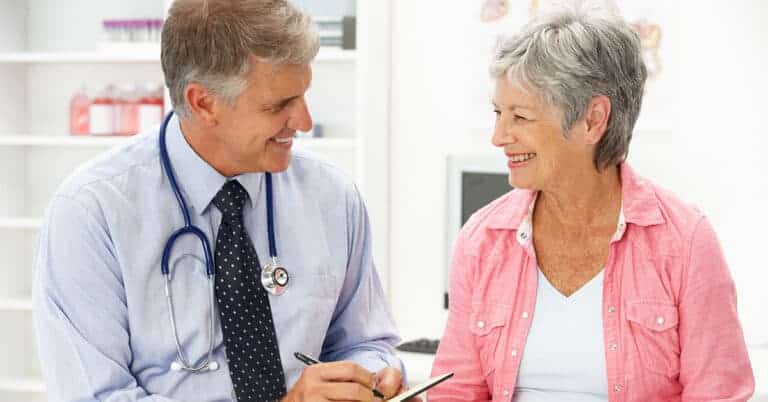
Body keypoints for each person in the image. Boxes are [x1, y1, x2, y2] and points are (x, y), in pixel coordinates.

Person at [33, 1, 410, 401]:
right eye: (279, 105)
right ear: (203, 103)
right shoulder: (92, 213)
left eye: (302, 95)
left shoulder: (331, 197)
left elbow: (365, 342)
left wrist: (371, 378)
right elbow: (96, 396)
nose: (304, 121)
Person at [429, 9, 755, 401]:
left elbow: (718, 395)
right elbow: (457, 392)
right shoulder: (481, 239)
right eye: (499, 113)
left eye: (520, 116)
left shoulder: (685, 241)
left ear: (593, 120)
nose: (499, 136)